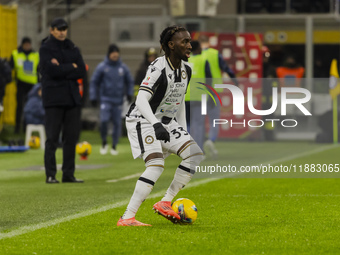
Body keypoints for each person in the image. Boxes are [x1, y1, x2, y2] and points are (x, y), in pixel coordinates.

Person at [117, 25, 204, 226]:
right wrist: (156, 125)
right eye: (185, 42)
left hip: (166, 122)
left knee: (194, 155)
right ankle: (127, 217)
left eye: (190, 41)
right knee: (156, 165)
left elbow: (179, 101)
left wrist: (183, 131)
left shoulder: (187, 69)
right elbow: (140, 100)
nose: (190, 45)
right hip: (143, 120)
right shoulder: (157, 68)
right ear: (171, 45)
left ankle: (165, 202)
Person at [39, 17, 86, 184]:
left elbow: (81, 70)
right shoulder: (45, 48)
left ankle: (68, 174)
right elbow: (51, 71)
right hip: (54, 100)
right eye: (58, 29)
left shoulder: (72, 47)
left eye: (64, 29)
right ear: (52, 30)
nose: (61, 32)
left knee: (70, 138)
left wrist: (62, 67)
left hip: (72, 99)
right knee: (52, 138)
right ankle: (50, 175)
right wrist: (69, 67)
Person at [90, 44, 134, 155]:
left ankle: (114, 145)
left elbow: (129, 81)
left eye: (116, 52)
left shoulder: (122, 68)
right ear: (109, 54)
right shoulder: (102, 67)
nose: (115, 54)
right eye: (113, 52)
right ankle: (104, 142)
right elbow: (94, 82)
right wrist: (93, 96)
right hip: (106, 99)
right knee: (104, 121)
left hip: (118, 100)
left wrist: (129, 94)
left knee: (117, 123)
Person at [199, 35, 239, 157]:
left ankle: (200, 148)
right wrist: (235, 81)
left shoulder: (195, 55)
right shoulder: (215, 54)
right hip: (215, 90)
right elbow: (226, 68)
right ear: (208, 42)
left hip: (198, 92)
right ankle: (211, 140)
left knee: (198, 122)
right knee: (213, 120)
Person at [185, 40, 212, 150]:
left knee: (187, 124)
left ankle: (187, 149)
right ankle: (198, 149)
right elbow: (209, 79)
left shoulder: (185, 61)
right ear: (197, 49)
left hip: (186, 97)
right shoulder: (204, 60)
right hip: (200, 97)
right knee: (199, 124)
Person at [10, 37, 39, 133]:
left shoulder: (35, 55)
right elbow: (10, 67)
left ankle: (27, 127)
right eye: (26, 44)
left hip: (32, 86)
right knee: (19, 106)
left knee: (30, 107)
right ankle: (17, 127)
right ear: (22, 45)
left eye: (29, 44)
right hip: (21, 84)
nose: (27, 46)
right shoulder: (16, 54)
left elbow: (39, 69)